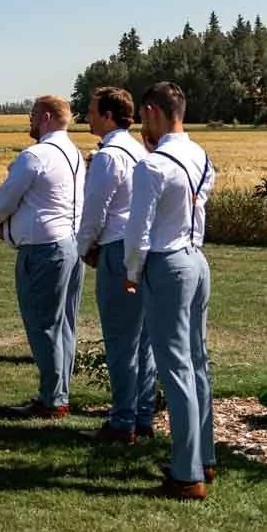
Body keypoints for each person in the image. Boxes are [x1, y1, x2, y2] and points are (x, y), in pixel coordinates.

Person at [125, 81, 217, 500]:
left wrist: (131, 272)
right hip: (197, 259)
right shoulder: (199, 154)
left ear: (151, 112)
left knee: (175, 367)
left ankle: (186, 473)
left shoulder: (153, 165)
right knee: (197, 362)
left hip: (167, 263)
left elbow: (138, 232)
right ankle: (203, 457)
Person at [0, 95, 85, 417]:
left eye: (31, 115)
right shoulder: (74, 154)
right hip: (71, 245)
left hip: (43, 250)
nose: (28, 122)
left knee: (42, 324)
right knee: (64, 324)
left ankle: (52, 400)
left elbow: (4, 201)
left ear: (44, 117)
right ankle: (60, 393)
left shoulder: (35, 156)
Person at [76, 87, 155, 443]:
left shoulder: (109, 157)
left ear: (107, 115)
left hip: (116, 248)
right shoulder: (139, 151)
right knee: (143, 340)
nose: (87, 116)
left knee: (121, 339)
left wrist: (83, 247)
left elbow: (94, 211)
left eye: (92, 110)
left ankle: (122, 421)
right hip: (143, 247)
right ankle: (142, 413)